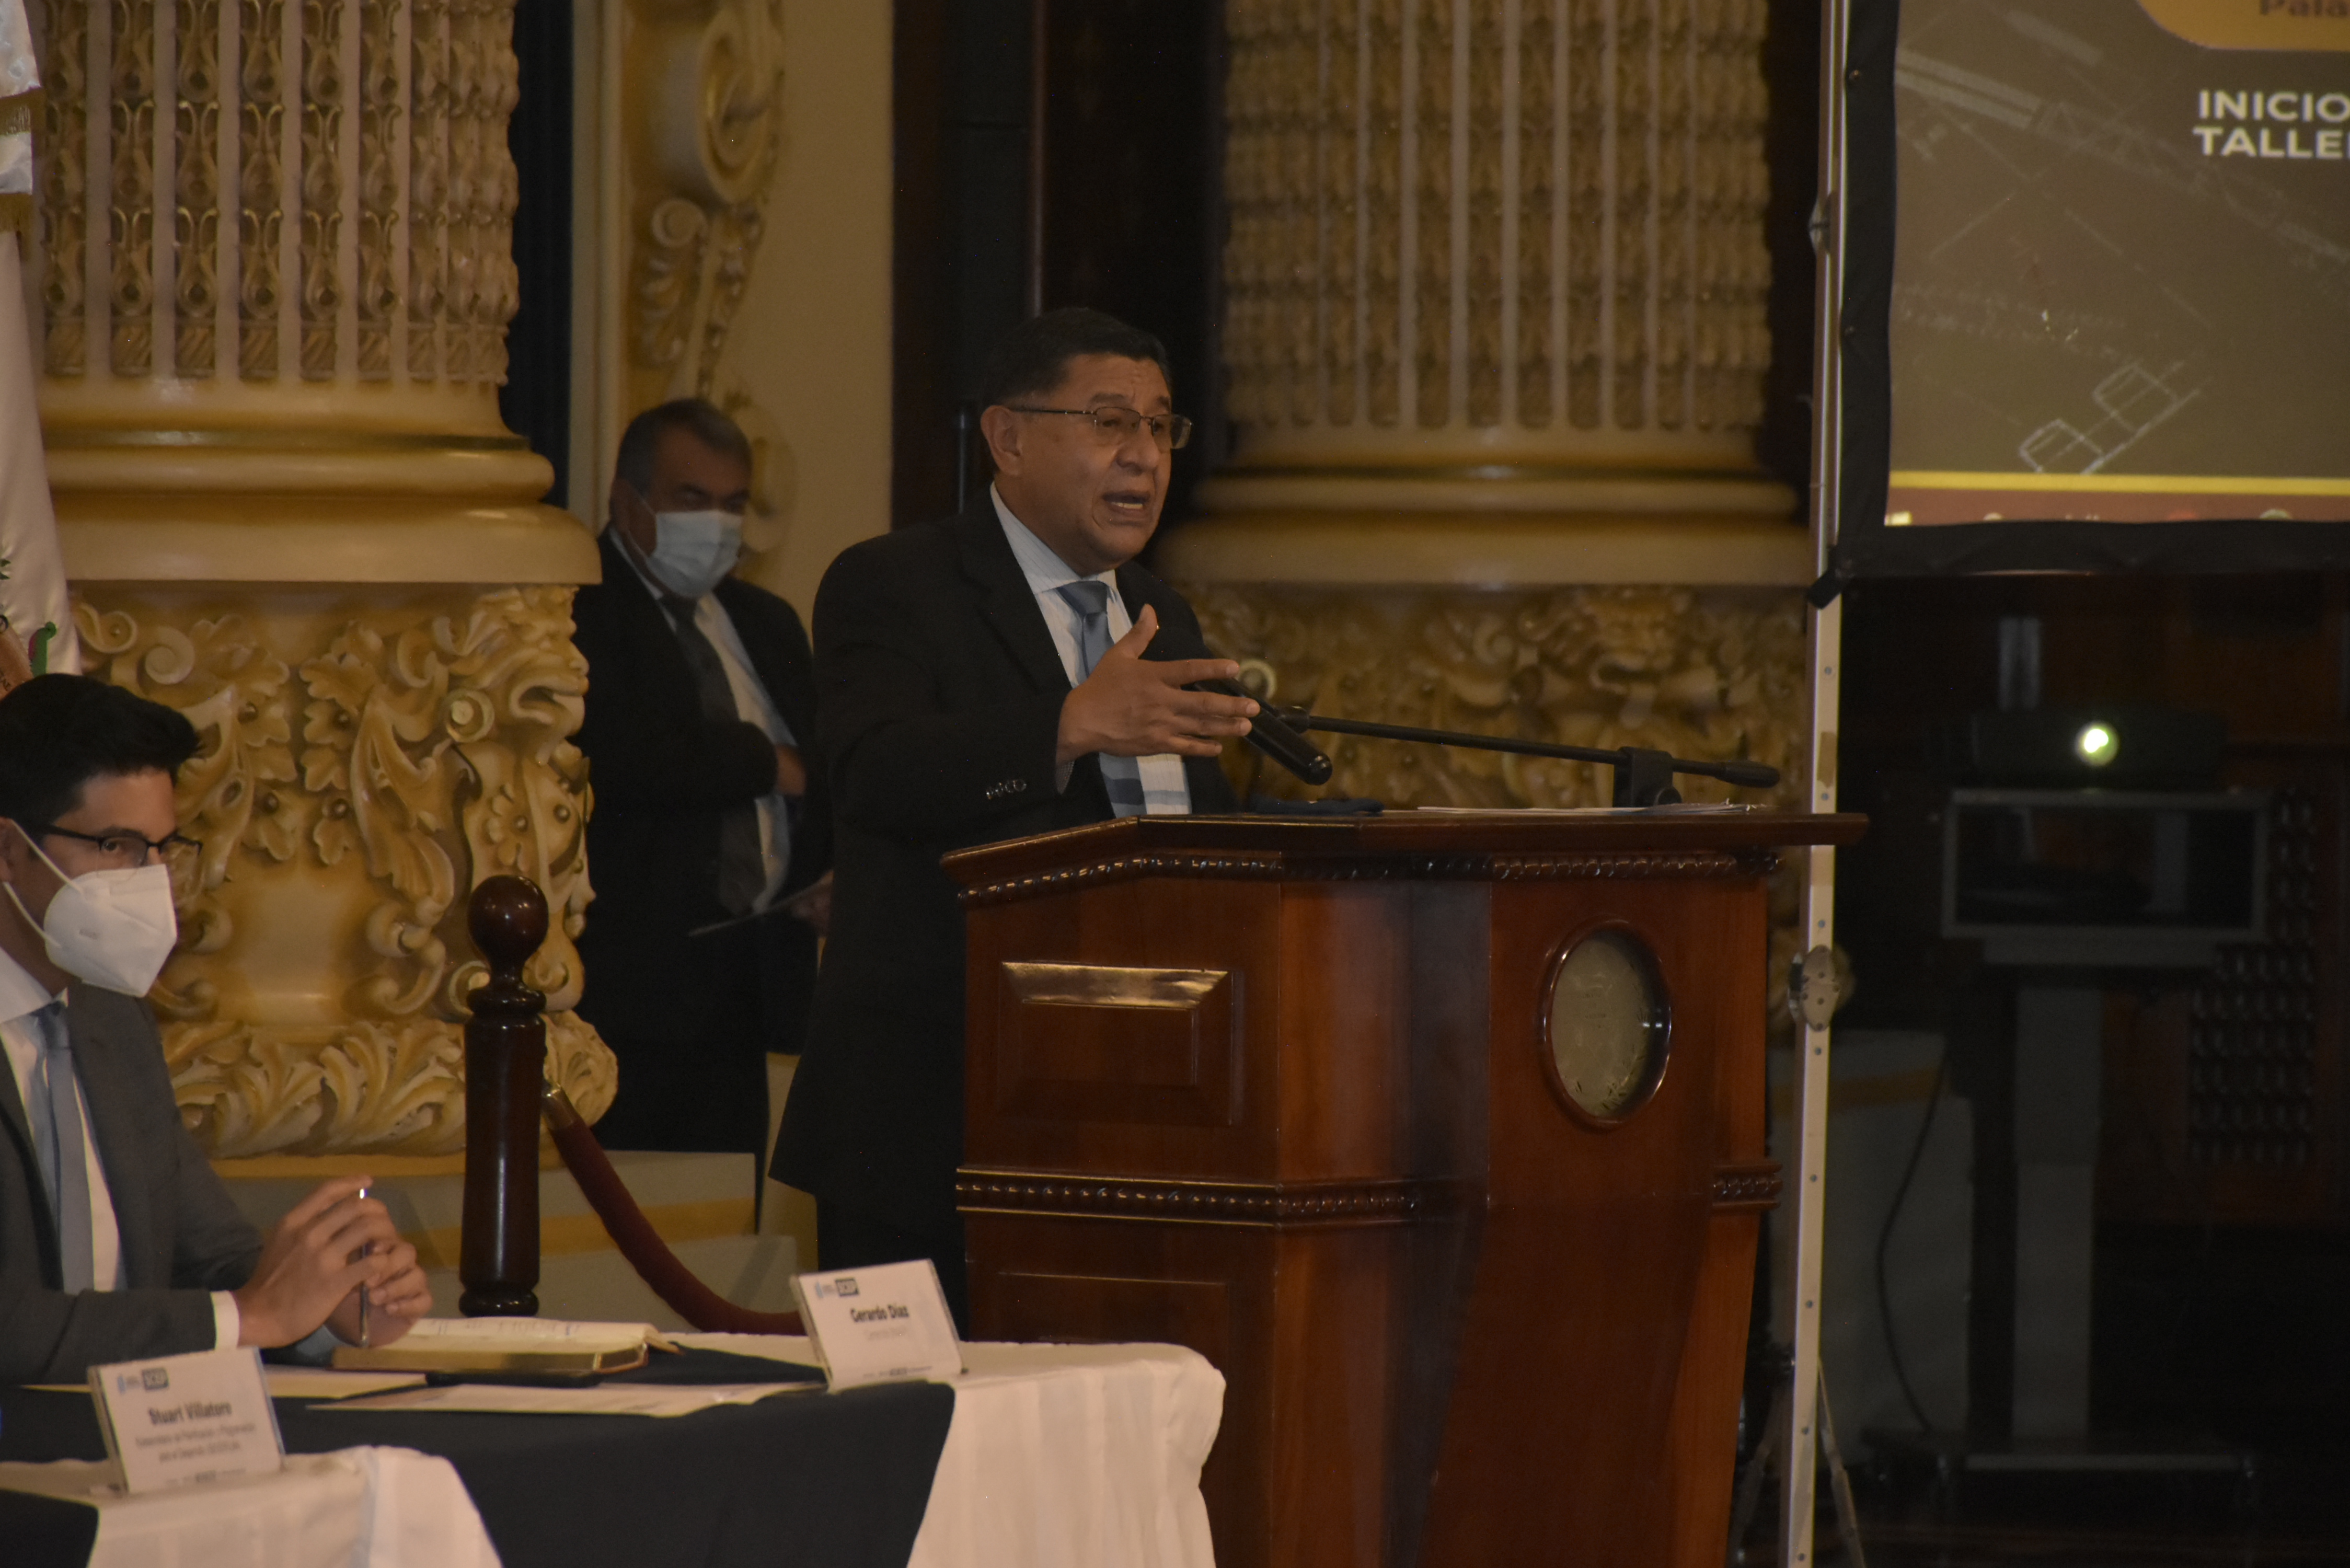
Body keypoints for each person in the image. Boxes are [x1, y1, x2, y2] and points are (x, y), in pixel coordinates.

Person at [771, 308, 1255, 1321]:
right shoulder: (894, 584)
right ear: (1009, 437)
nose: (1144, 456)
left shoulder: (1163, 614)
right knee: (927, 1418)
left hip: (1135, 1123)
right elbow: (875, 773)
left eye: (1160, 426)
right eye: (1110, 422)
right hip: (934, 1126)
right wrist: (1069, 726)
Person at [0, 674, 430, 1382]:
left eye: (161, 848)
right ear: (10, 852)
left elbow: (214, 1261)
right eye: (116, 845)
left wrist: (331, 1304)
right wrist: (249, 1317)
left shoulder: (113, 1019)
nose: (151, 881)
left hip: (137, 1425)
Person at [572, 398, 832, 1156]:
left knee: (725, 1206)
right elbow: (629, 753)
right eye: (692, 499)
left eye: (733, 504)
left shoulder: (766, 622)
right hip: (628, 990)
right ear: (628, 500)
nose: (715, 524)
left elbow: (825, 765)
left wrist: (824, 870)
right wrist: (764, 762)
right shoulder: (577, 611)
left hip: (750, 983)